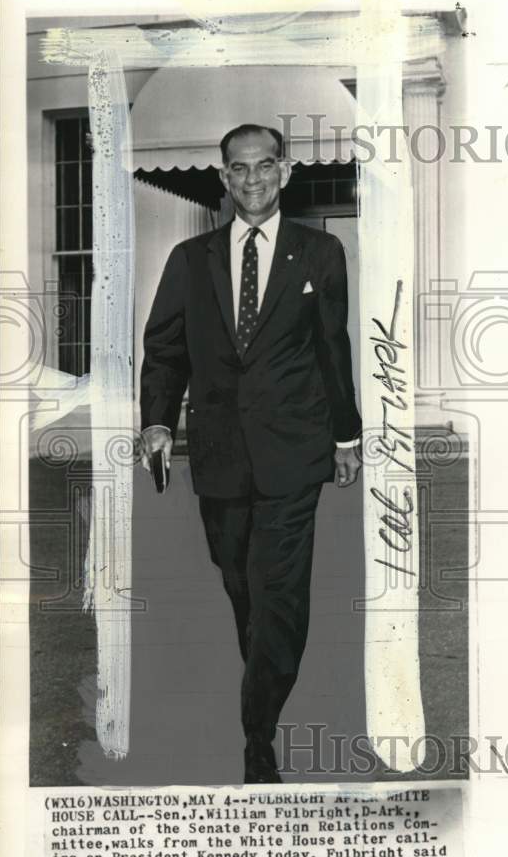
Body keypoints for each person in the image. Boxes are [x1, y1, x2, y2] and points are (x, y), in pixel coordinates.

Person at [139, 124, 362, 783]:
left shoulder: (319, 253)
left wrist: (345, 436)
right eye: (240, 169)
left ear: (285, 173)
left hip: (294, 452)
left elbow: (332, 350)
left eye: (266, 166)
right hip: (218, 456)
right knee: (241, 584)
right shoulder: (190, 258)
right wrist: (155, 422)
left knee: (279, 592)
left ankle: (256, 736)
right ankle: (264, 682)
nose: (254, 179)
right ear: (224, 178)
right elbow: (165, 350)